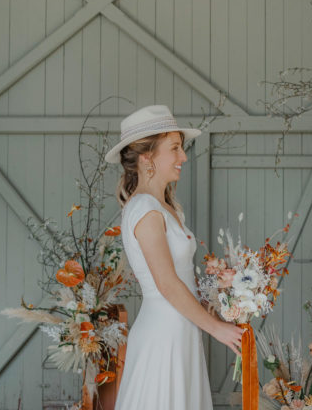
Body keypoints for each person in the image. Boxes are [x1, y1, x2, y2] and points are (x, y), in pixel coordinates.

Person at [107, 105, 244, 409]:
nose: (183, 157)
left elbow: (182, 278)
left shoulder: (169, 209)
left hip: (182, 329)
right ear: (147, 157)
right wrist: (217, 329)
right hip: (163, 333)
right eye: (175, 148)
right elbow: (167, 284)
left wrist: (221, 299)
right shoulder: (144, 209)